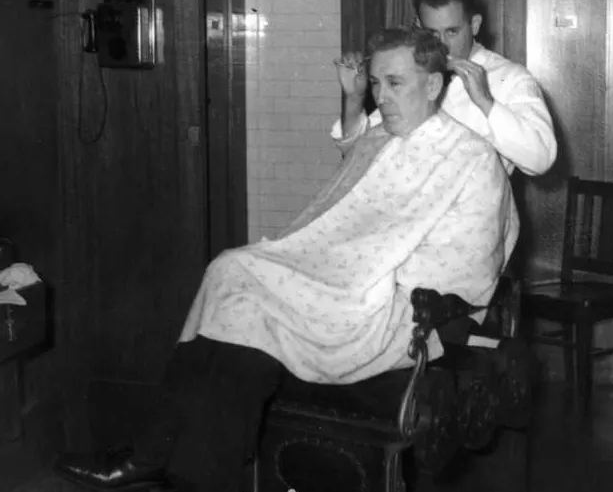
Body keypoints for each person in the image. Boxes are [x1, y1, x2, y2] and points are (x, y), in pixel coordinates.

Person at [55, 27, 517, 492]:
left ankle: (151, 455)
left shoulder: (472, 157)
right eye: (376, 83)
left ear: (434, 85)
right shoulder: (381, 140)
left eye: (395, 83)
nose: (382, 96)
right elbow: (340, 220)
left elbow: (470, 268)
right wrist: (326, 264)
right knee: (237, 304)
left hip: (399, 311)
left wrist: (357, 274)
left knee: (239, 275)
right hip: (340, 289)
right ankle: (172, 463)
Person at [333, 0, 557, 247]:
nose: (443, 45)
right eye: (431, 34)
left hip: (471, 239)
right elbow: (356, 155)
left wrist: (486, 102)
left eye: (452, 31)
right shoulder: (412, 75)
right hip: (405, 231)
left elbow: (541, 159)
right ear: (418, 28)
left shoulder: (509, 78)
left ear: (474, 25)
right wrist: (354, 99)